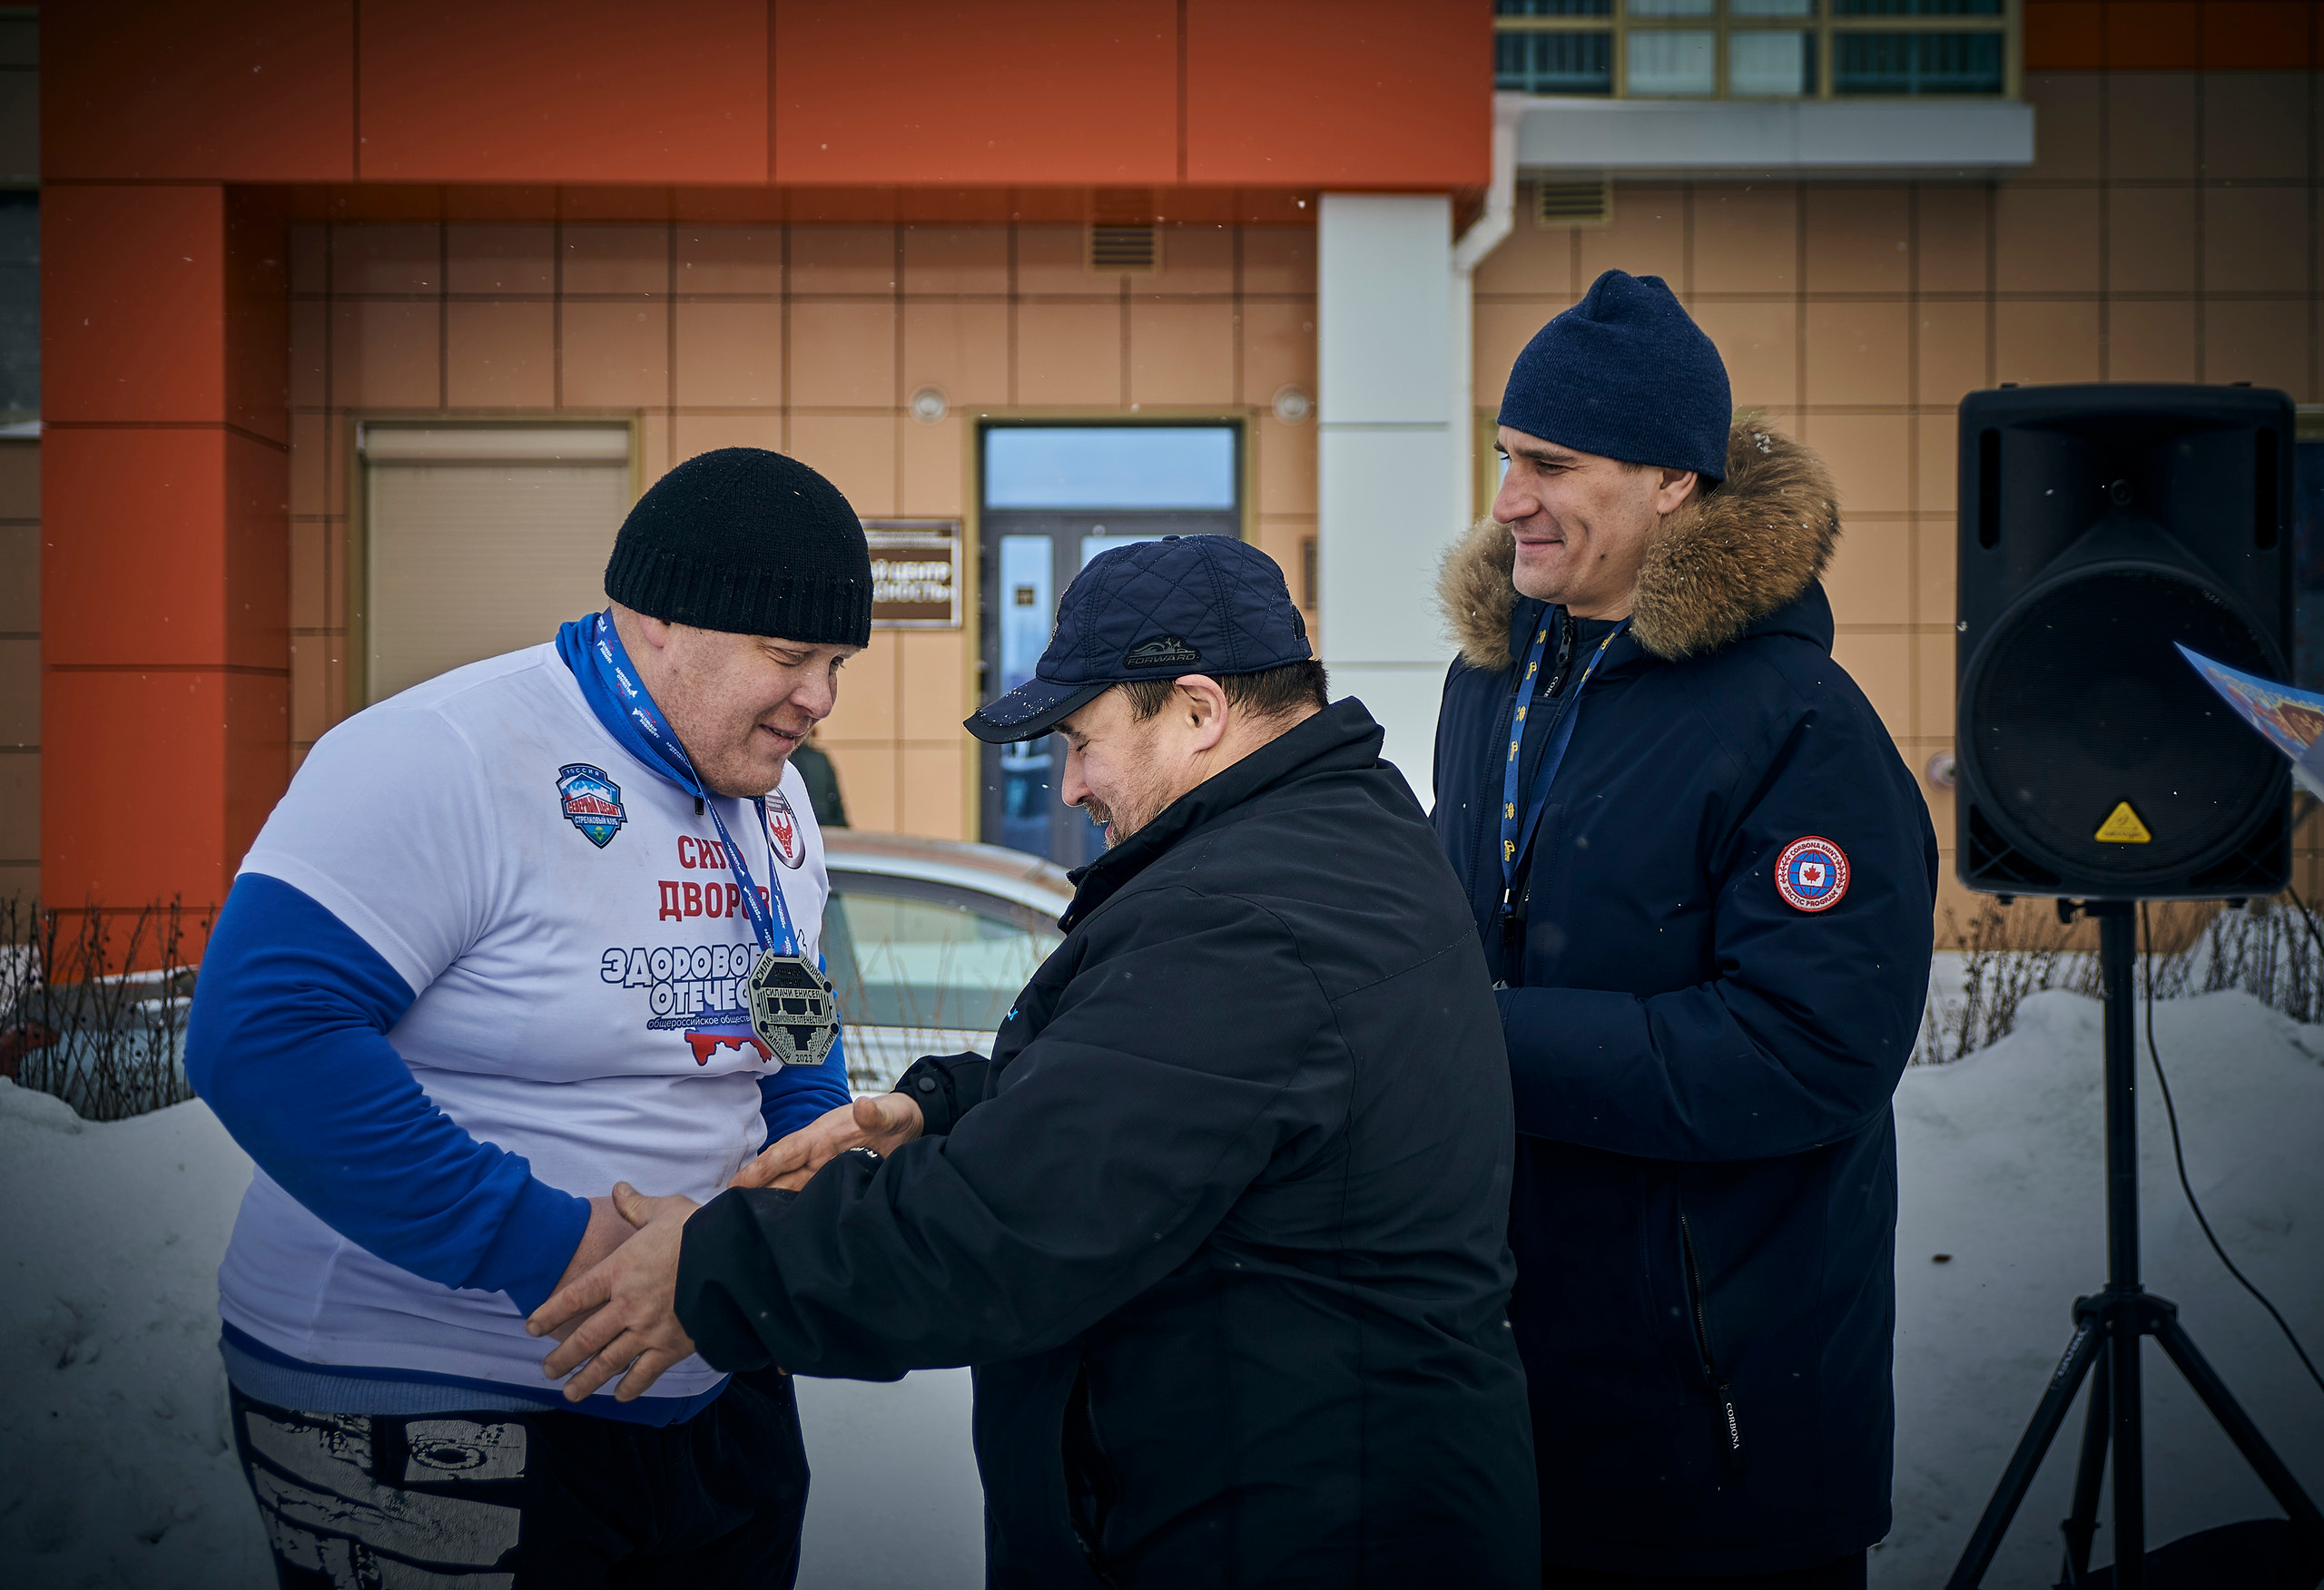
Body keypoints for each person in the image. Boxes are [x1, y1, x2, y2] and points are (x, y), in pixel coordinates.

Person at [529, 534, 1541, 1589]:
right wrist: (949, 1103)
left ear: (1198, 712)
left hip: (1286, 1533)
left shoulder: (1246, 921)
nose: (1068, 787)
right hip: (1298, 1498)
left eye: (1083, 741)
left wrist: (712, 1271)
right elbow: (1186, 1101)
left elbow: (1011, 1225)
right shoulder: (1327, 844)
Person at [184, 448, 872, 1587]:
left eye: (837, 663)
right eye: (789, 657)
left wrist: (808, 1143)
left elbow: (786, 1000)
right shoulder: (443, 753)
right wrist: (558, 1252)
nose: (820, 700)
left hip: (705, 1362)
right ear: (657, 620)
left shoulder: (770, 784)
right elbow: (263, 1036)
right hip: (426, 1392)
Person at [1431, 271, 1938, 1587]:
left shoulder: (1798, 723)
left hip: (1723, 1438)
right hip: (1512, 1408)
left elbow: (1808, 1054)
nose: (1508, 500)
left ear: (1673, 481)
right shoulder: (1491, 683)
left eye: (1551, 462)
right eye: (1503, 456)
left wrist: (1479, 1041)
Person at [788, 728, 849, 827]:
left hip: (797, 823)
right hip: (824, 822)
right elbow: (835, 798)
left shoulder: (786, 759)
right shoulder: (820, 758)